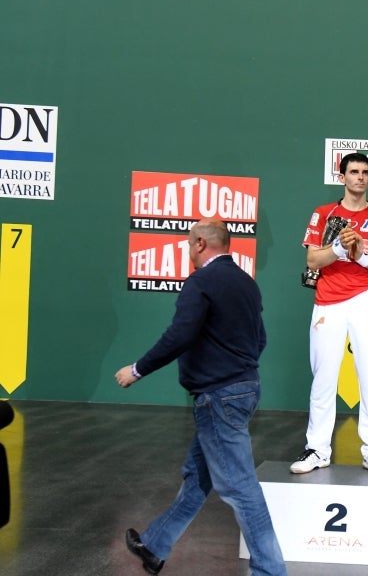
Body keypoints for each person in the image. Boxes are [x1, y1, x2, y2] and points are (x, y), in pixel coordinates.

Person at [114, 219, 286, 576]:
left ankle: (271, 571)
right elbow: (260, 339)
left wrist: (138, 369)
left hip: (218, 397)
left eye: (189, 243)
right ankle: (155, 545)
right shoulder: (246, 284)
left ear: (200, 245)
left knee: (241, 489)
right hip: (243, 390)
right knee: (198, 475)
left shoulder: (201, 282)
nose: (188, 250)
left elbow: (180, 334)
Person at [290, 152, 368, 477]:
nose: (360, 177)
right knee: (323, 379)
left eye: (366, 172)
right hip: (329, 301)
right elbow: (313, 261)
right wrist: (338, 248)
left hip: (367, 300)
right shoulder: (324, 214)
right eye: (354, 172)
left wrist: (361, 256)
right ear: (343, 177)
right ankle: (317, 449)